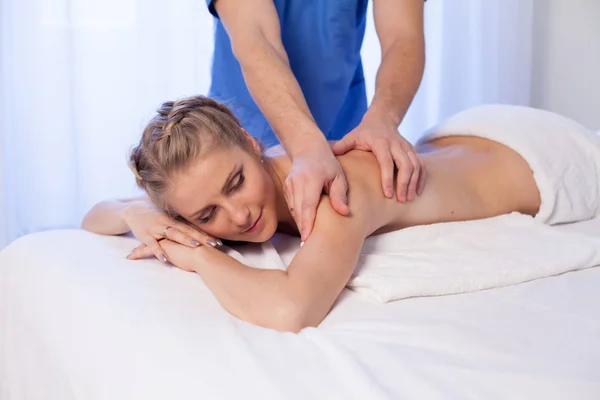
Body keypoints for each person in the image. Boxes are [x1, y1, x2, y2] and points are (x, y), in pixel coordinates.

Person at [82, 95, 600, 332]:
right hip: (456, 136)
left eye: (236, 182)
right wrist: (139, 218)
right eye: (207, 215)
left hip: (545, 162)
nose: (237, 216)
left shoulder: (331, 189)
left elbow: (293, 309)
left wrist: (193, 254)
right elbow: (94, 216)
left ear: (249, 140)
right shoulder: (200, 193)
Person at [205, 0, 428, 242]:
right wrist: (306, 148)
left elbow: (402, 36)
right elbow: (257, 38)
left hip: (344, 124)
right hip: (248, 129)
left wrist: (383, 119)